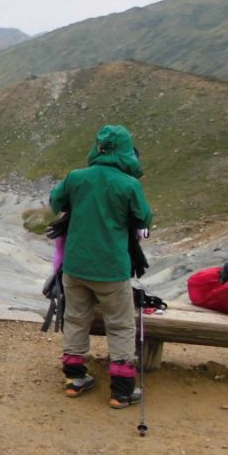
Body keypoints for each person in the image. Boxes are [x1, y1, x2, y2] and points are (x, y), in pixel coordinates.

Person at [49, 124, 152, 409]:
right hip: (111, 267)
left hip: (75, 265)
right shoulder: (129, 184)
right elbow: (143, 217)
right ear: (126, 150)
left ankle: (74, 378)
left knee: (76, 318)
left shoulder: (76, 177)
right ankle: (121, 391)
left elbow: (55, 201)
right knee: (119, 325)